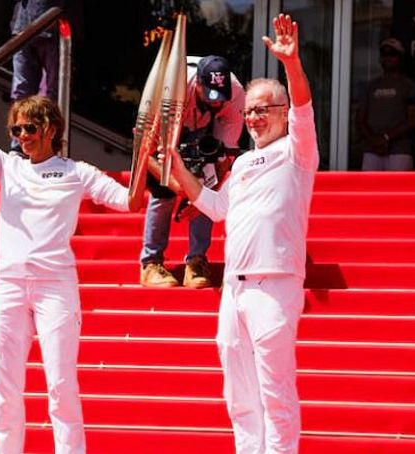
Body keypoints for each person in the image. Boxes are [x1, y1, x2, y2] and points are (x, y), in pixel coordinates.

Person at [0, 39, 147, 454]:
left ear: (50, 129)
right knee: (5, 385)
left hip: (55, 288)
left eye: (29, 128)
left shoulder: (77, 172)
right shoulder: (7, 167)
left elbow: (130, 202)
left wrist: (146, 157)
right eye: (17, 129)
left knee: (61, 385)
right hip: (9, 286)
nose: (22, 136)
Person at [164, 14, 317, 452]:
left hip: (276, 285)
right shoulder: (246, 162)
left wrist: (291, 64)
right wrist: (175, 165)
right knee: (239, 393)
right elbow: (215, 207)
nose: (252, 118)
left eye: (262, 110)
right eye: (248, 110)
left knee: (275, 390)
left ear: (282, 114)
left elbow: (304, 108)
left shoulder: (298, 151)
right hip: (233, 286)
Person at [140, 54, 245, 289]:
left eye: (221, 98)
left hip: (205, 131)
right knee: (162, 190)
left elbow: (224, 157)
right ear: (197, 84)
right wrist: (179, 188)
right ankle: (151, 262)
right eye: (210, 96)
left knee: (207, 180)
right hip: (170, 125)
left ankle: (197, 260)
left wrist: (203, 198)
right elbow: (145, 151)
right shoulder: (169, 88)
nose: (216, 102)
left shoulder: (236, 95)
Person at [357, 37, 415, 171]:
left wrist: (385, 138)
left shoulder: (409, 86)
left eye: (392, 54)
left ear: (400, 58)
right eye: (384, 54)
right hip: (372, 150)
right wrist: (374, 141)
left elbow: (412, 120)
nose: (387, 58)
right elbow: (360, 118)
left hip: (399, 150)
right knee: (368, 190)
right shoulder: (370, 86)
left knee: (397, 191)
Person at [10, 0, 64, 102]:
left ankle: (45, 115)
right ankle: (21, 115)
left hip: (52, 27)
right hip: (22, 27)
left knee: (52, 90)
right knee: (21, 89)